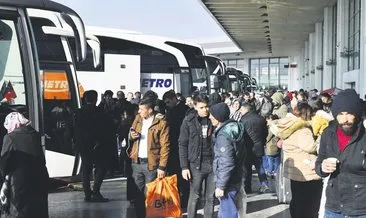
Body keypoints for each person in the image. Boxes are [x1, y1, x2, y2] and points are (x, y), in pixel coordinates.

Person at [315, 89, 366, 217]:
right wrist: (322, 167)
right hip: (334, 206)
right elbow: (319, 161)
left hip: (360, 208)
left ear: (357, 114)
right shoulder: (328, 133)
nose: (345, 119)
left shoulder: (364, 135)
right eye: (340, 114)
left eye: (349, 113)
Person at [272, 103, 322, 218]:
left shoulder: (288, 125)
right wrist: (320, 138)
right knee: (309, 204)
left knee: (297, 200)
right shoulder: (302, 129)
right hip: (307, 171)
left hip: (295, 170)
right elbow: (310, 147)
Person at [0, 112, 49, 217]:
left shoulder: (10, 137)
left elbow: (4, 164)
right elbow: (42, 158)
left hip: (20, 182)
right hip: (40, 178)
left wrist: (4, 180)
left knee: (20, 212)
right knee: (39, 211)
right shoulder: (35, 134)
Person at [128, 97, 170, 218]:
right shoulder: (138, 119)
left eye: (142, 109)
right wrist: (132, 135)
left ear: (150, 110)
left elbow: (165, 146)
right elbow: (131, 133)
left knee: (150, 195)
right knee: (137, 195)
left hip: (151, 164)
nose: (139, 112)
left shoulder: (161, 122)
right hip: (136, 162)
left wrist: (162, 166)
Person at [179, 94, 215, 218]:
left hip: (212, 162)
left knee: (210, 197)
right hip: (196, 164)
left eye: (207, 107)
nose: (205, 110)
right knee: (195, 195)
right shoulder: (188, 121)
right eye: (201, 107)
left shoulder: (213, 119)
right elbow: (182, 144)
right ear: (195, 107)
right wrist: (184, 167)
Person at [209, 103, 245, 218]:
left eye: (212, 115)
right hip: (236, 177)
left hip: (228, 181)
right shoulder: (233, 128)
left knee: (227, 213)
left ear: (218, 118)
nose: (210, 117)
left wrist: (221, 186)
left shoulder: (223, 136)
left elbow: (227, 162)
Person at [75, 90, 110, 202]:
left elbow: (75, 130)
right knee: (101, 167)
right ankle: (96, 191)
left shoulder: (78, 112)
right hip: (96, 145)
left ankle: (87, 193)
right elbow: (102, 129)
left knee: (86, 168)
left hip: (82, 145)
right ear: (95, 99)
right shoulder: (99, 112)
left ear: (85, 99)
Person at [163, 90, 189, 208]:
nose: (167, 105)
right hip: (177, 146)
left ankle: (181, 197)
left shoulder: (177, 111)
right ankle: (182, 197)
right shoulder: (183, 109)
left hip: (177, 145)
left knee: (179, 174)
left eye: (168, 102)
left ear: (174, 99)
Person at [240, 102, 269, 193]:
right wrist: (262, 142)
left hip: (247, 147)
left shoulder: (243, 120)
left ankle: (247, 187)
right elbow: (265, 133)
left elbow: (241, 135)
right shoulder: (261, 119)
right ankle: (264, 184)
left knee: (247, 169)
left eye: (241, 110)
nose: (240, 111)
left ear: (245, 109)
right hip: (259, 146)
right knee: (260, 167)